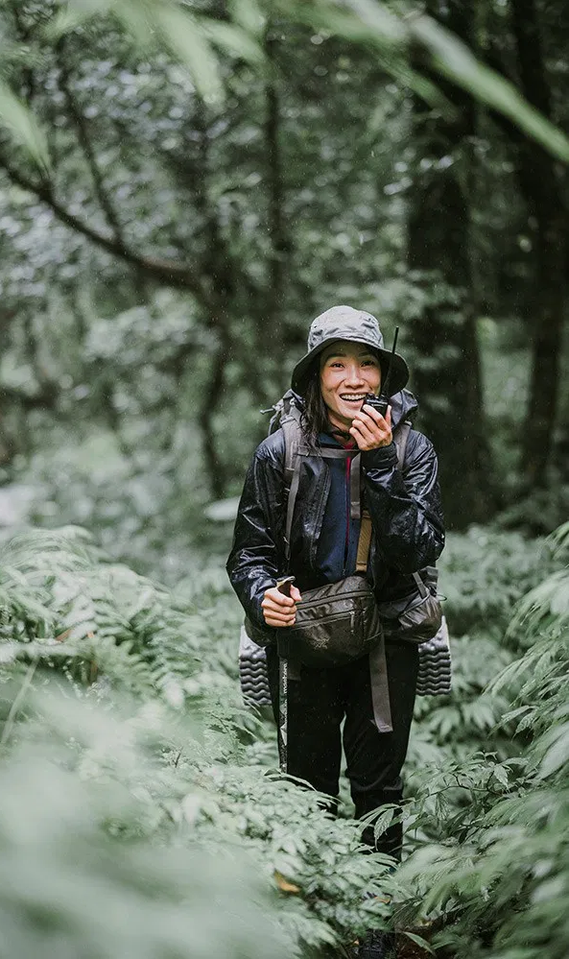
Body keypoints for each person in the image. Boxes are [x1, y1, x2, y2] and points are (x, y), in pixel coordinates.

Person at [227, 306, 445, 866]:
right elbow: (250, 553)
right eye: (337, 365)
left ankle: (375, 927)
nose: (354, 379)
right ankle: (321, 915)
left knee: (380, 792)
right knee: (306, 788)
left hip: (387, 636)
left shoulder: (409, 450)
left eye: (367, 364)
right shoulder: (279, 453)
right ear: (316, 377)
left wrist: (378, 465)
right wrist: (262, 595)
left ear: (383, 376)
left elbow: (420, 548)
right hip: (305, 639)